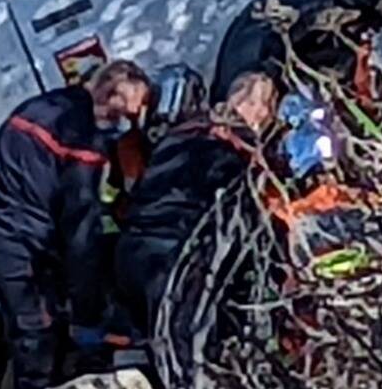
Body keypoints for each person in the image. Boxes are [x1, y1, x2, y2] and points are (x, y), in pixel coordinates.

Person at [0, 60, 153, 389]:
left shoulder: (41, 106)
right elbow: (80, 232)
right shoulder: (81, 139)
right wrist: (88, 315)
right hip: (10, 242)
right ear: (112, 95)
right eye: (131, 113)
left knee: (40, 313)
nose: (129, 124)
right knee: (37, 331)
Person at [113, 70, 279, 338]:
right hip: (173, 260)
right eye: (267, 107)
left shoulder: (182, 133)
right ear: (255, 108)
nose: (267, 116)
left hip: (130, 254)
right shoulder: (237, 147)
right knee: (193, 359)